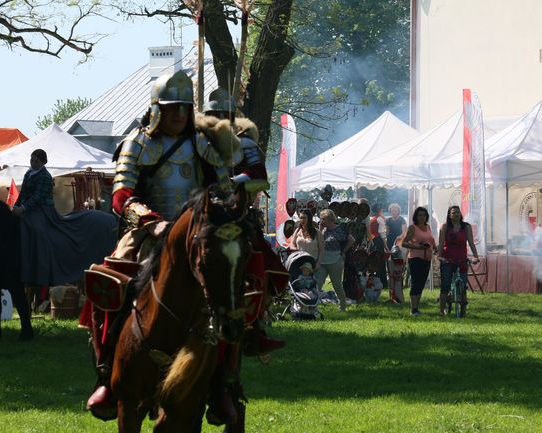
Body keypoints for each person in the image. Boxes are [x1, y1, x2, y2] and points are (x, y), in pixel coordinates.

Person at [86, 73, 286, 422]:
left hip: (197, 232)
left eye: (183, 108)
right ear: (157, 110)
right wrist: (150, 220)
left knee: (231, 289)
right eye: (171, 108)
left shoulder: (201, 143)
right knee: (109, 283)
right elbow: (121, 194)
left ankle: (225, 379)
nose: (178, 115)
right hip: (148, 231)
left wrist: (229, 201)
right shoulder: (138, 143)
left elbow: (220, 186)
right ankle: (107, 372)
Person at [436, 205, 479, 317]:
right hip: (447, 259)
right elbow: (441, 243)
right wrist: (439, 256)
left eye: (457, 212)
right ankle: (441, 311)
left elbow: (471, 243)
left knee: (463, 285)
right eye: (453, 212)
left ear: (460, 214)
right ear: (449, 215)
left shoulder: (466, 227)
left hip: (462, 259)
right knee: (445, 285)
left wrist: (476, 256)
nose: (456, 214)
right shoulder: (445, 226)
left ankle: (463, 311)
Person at [316, 209, 355, 311]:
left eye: (323, 219)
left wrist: (343, 251)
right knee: (317, 284)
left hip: (335, 260)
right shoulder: (322, 230)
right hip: (322, 261)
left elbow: (351, 240)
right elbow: (317, 242)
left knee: (337, 285)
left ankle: (342, 305)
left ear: (329, 219)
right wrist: (320, 229)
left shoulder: (341, 229)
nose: (321, 221)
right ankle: (313, 306)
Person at [402, 207, 436, 316]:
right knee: (416, 283)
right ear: (416, 216)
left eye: (424, 215)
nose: (422, 217)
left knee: (421, 283)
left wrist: (435, 248)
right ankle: (413, 309)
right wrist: (417, 246)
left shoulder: (428, 227)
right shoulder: (413, 227)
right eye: (420, 215)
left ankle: (417, 307)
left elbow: (431, 241)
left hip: (427, 258)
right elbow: (404, 243)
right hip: (415, 258)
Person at [369, 203, 388, 287]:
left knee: (375, 261)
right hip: (378, 241)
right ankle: (382, 282)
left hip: (373, 241)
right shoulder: (380, 219)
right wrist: (386, 246)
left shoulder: (372, 219)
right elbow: (382, 233)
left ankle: (376, 282)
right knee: (380, 262)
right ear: (380, 210)